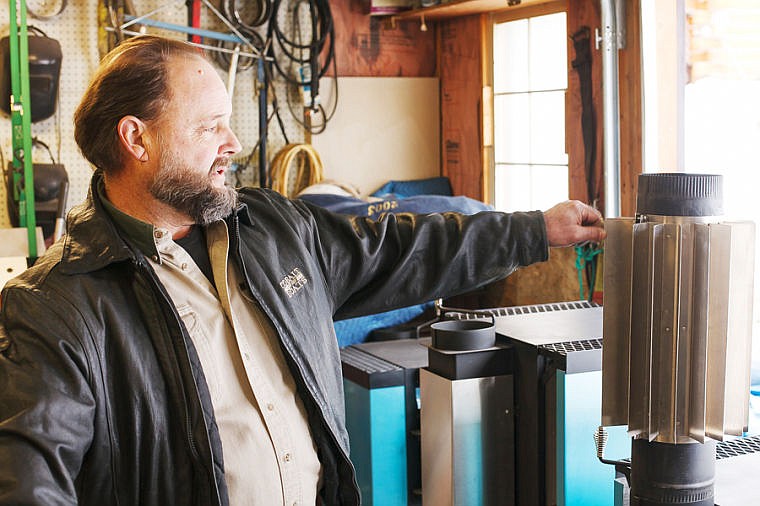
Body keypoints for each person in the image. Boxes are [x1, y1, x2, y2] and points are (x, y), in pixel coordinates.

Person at [0, 35, 605, 506]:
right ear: (137, 138)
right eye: (209, 124)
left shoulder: (273, 230)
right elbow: (29, 481)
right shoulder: (52, 307)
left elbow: (397, 247)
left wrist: (533, 231)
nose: (231, 141)